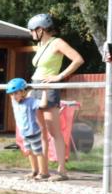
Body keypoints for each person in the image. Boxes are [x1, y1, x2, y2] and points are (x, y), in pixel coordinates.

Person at [26, 14, 85, 181]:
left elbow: (78, 59)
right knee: (40, 132)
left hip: (49, 87)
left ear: (41, 29)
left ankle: (62, 171)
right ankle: (43, 170)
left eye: (32, 30)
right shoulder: (41, 45)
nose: (31, 33)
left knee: (54, 131)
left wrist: (59, 76)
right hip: (36, 86)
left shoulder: (57, 42)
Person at [5, 78, 49, 181]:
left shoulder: (31, 101)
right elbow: (22, 92)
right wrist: (27, 89)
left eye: (16, 93)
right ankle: (34, 171)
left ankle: (43, 173)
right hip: (24, 133)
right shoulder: (14, 102)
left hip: (33, 132)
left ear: (23, 92)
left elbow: (43, 104)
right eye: (11, 94)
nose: (13, 96)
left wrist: (45, 92)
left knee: (38, 152)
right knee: (29, 152)